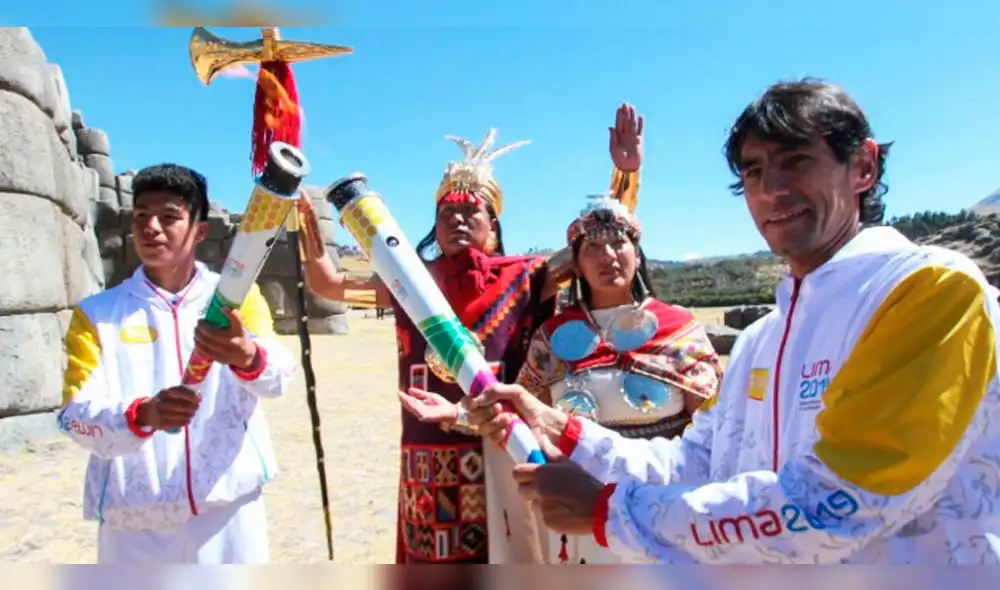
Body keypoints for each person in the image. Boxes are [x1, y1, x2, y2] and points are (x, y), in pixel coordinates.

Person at [462, 78, 1000, 564]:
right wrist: (561, 427)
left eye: (796, 160)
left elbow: (836, 503)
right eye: (754, 170)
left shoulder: (928, 291)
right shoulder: (761, 341)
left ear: (863, 166)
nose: (771, 191)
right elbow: (693, 462)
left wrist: (611, 512)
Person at [297, 104, 644, 564]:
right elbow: (325, 283)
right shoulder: (406, 282)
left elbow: (597, 244)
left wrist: (624, 175)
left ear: (493, 228)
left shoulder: (528, 275)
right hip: (431, 446)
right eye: (447, 214)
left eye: (471, 214)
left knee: (521, 554)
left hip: (511, 440)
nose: (458, 221)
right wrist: (300, 218)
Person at [398, 192, 722, 563]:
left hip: (658, 504)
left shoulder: (679, 329)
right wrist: (458, 415)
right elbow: (522, 416)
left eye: (619, 243)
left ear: (637, 253)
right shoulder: (552, 337)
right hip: (575, 507)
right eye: (593, 248)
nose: (608, 256)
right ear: (577, 265)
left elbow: (713, 434)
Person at [57, 164, 296, 564]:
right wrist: (141, 415)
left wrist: (246, 356)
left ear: (199, 231)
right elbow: (74, 416)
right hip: (134, 521)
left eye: (169, 217)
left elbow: (279, 378)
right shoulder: (97, 315)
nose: (151, 227)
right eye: (141, 216)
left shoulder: (238, 298)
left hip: (227, 510)